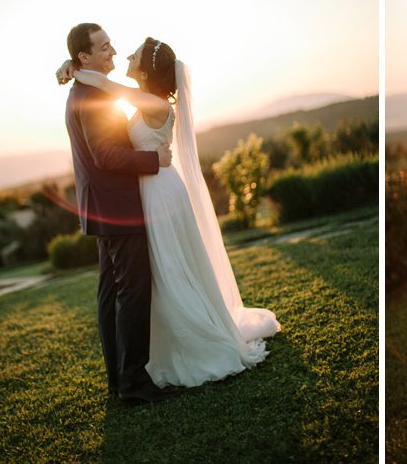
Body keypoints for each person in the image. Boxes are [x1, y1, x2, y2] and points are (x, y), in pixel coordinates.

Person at [58, 35, 280, 389]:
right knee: (160, 272)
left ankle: (189, 347)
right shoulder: (145, 99)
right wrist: (71, 67)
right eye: (112, 48)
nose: (124, 54)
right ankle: (147, 360)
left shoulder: (151, 102)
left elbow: (103, 82)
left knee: (169, 268)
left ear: (145, 71)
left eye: (134, 55)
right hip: (148, 188)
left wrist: (74, 68)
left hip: (159, 192)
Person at [62, 23, 174, 404]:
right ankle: (133, 383)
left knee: (111, 295)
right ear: (84, 56)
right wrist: (153, 159)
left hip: (102, 206)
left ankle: (120, 379)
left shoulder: (84, 87)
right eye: (104, 47)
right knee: (132, 291)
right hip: (115, 206)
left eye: (111, 45)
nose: (113, 51)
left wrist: (68, 67)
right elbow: (106, 155)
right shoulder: (91, 97)